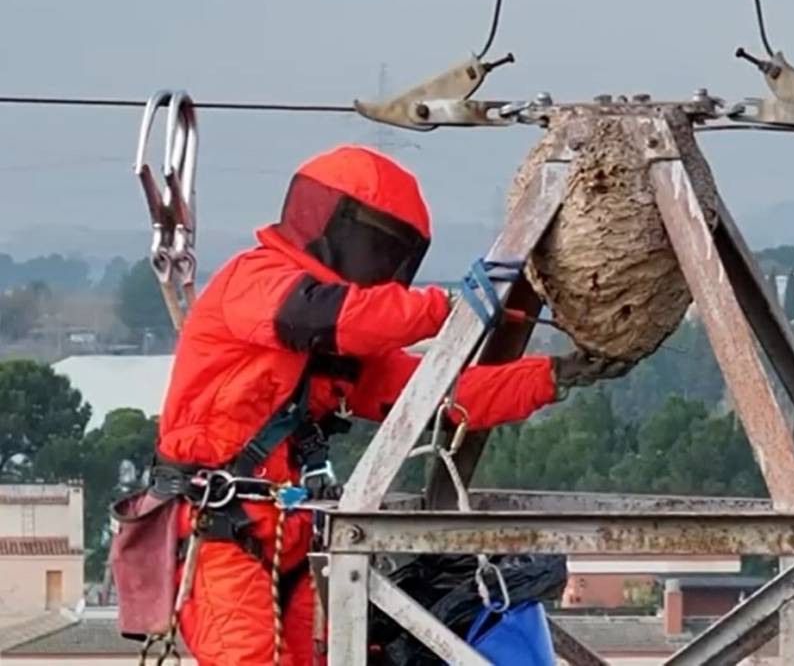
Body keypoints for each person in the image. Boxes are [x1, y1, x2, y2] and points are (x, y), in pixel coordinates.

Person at [153, 145, 622, 666]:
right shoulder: (258, 282)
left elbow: (438, 395)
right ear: (337, 227)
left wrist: (552, 377)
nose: (382, 263)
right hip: (223, 533)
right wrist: (445, 309)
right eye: (380, 245)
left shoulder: (336, 339)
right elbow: (333, 315)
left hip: (285, 530)